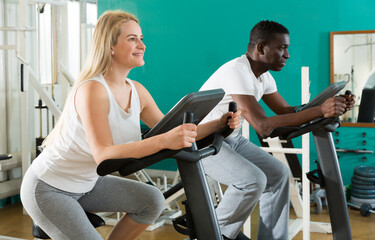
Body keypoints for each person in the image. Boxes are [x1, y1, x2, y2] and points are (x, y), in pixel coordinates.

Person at [20, 10, 241, 240]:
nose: (142, 45)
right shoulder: (93, 90)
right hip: (49, 188)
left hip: (87, 185)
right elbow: (103, 154)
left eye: (141, 38)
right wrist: (164, 140)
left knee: (152, 200)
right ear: (110, 46)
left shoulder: (137, 91)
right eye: (132, 39)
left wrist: (219, 124)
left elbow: (176, 132)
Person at [199, 20, 355, 240]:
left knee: (278, 175)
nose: (287, 55)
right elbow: (263, 127)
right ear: (261, 48)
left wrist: (329, 106)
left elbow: (286, 110)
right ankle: (214, 233)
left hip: (229, 138)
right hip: (203, 141)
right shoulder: (237, 72)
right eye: (282, 48)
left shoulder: (263, 76)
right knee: (253, 180)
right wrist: (320, 110)